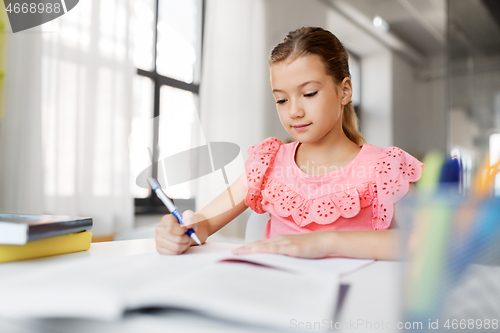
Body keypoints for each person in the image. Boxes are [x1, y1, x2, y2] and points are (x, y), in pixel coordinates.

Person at [155, 27, 424, 260]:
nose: (294, 111)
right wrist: (178, 232)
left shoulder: (385, 167)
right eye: (282, 100)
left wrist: (324, 242)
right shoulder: (268, 162)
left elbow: (426, 243)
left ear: (344, 91)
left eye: (308, 93)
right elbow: (203, 223)